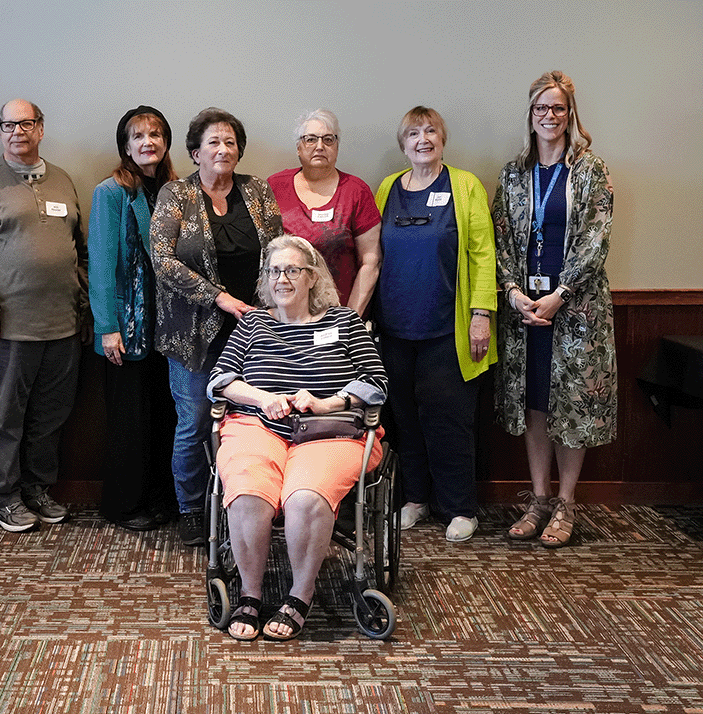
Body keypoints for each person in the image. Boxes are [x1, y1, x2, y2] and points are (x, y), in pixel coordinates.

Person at [208, 235, 387, 641]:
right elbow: (220, 381)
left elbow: (376, 383)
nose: (281, 279)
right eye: (274, 271)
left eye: (292, 270)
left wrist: (327, 403)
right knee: (249, 491)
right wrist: (262, 397)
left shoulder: (343, 321)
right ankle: (250, 596)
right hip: (257, 425)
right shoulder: (253, 323)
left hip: (330, 431)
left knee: (305, 495)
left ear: (312, 277)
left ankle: (298, 597)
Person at [493, 71, 616, 548]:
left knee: (573, 404)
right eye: (541, 108)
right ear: (530, 114)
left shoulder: (591, 170)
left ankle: (565, 503)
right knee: (536, 400)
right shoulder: (513, 174)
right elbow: (502, 237)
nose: (549, 116)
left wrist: (559, 295)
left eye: (558, 108)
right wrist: (512, 292)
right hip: (526, 312)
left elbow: (595, 239)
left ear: (571, 114)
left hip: (577, 310)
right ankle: (538, 499)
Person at [0, 99, 88, 533]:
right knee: (6, 418)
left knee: (50, 416)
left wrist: (83, 304)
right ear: (0, 131)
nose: (17, 132)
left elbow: (78, 249)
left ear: (41, 128)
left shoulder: (64, 181)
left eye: (26, 123)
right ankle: (1, 497)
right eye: (8, 125)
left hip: (63, 325)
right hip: (8, 326)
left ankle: (35, 488)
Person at [150, 107, 283, 546]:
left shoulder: (258, 192)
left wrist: (273, 308)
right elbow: (162, 261)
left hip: (254, 331)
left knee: (254, 420)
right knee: (195, 422)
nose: (223, 149)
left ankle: (244, 502)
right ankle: (191, 508)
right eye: (214, 143)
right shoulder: (176, 195)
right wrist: (219, 297)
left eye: (230, 142)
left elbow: (277, 254)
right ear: (195, 152)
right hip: (193, 334)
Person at [374, 106, 497, 543]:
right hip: (395, 330)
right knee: (404, 417)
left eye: (430, 131)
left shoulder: (464, 186)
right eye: (413, 133)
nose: (422, 139)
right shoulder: (387, 188)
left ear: (442, 139)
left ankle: (460, 507)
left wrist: (481, 315)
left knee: (449, 420)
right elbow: (373, 255)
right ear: (402, 143)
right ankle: (416, 498)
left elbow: (484, 255)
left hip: (450, 329)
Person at [88, 106, 178, 531]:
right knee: (130, 421)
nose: (148, 142)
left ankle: (162, 498)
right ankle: (124, 505)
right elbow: (102, 265)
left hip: (170, 328)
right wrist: (107, 328)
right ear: (126, 146)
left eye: (156, 134)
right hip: (127, 327)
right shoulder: (112, 192)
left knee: (164, 416)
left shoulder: (175, 191)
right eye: (138, 135)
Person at [268, 109, 382, 314]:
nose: (320, 146)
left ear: (337, 147)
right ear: (298, 148)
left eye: (328, 140)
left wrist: (350, 318)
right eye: (310, 139)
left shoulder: (356, 191)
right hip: (286, 315)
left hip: (339, 311)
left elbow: (371, 261)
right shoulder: (275, 187)